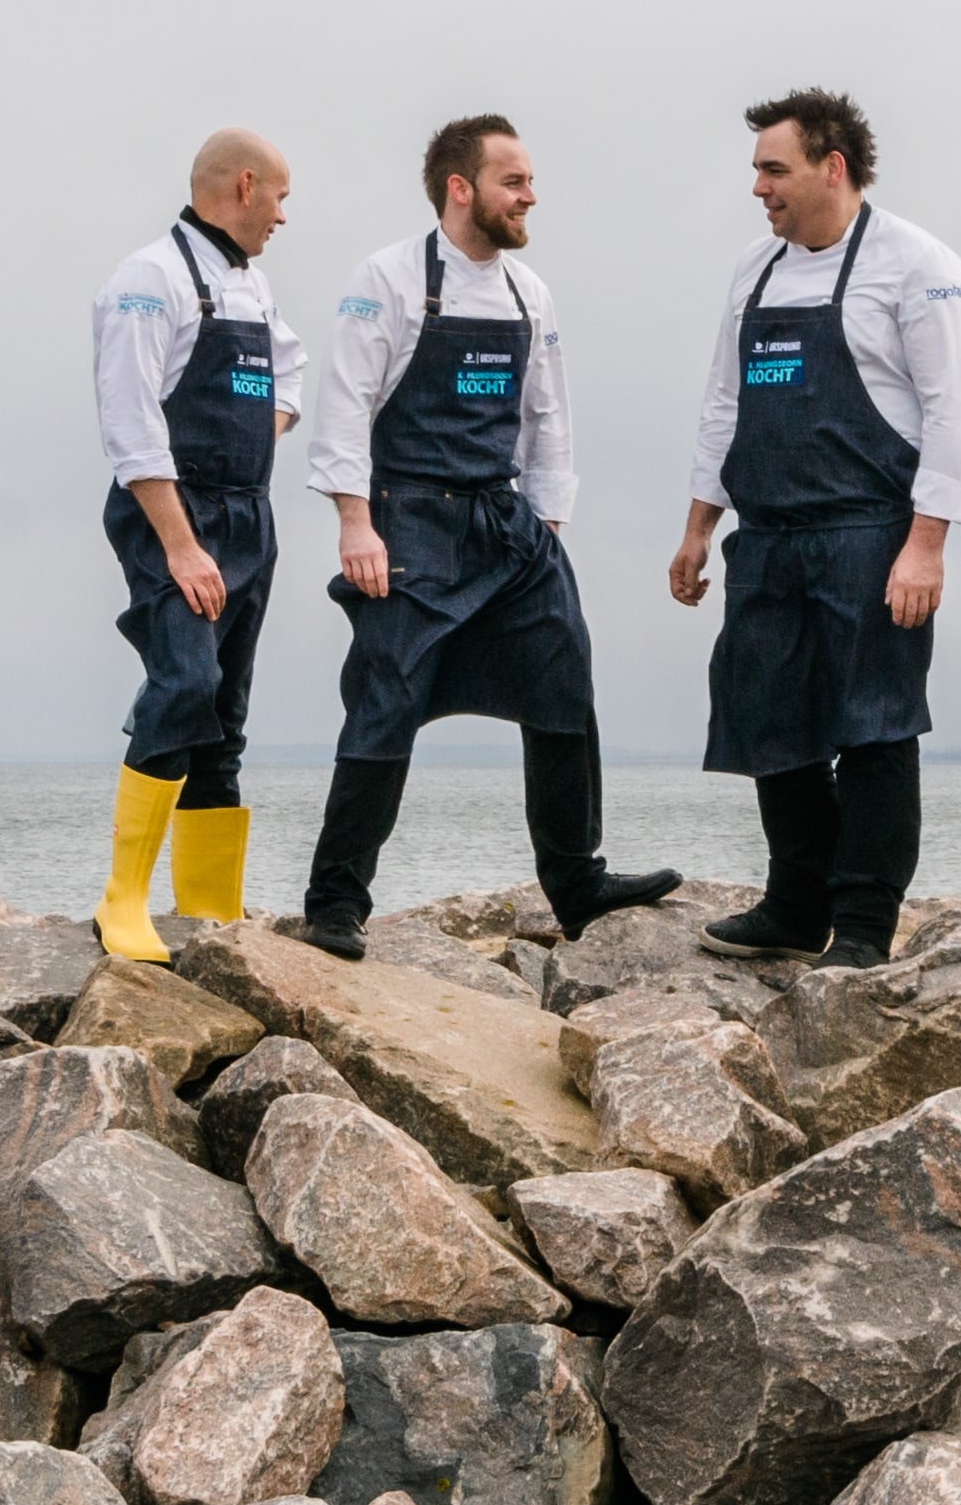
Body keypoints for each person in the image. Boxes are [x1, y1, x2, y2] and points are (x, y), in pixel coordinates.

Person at [289, 114, 679, 958]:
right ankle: (335, 902)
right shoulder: (387, 279)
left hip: (508, 526)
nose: (530, 195)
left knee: (565, 685)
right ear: (460, 189)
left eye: (530, 180)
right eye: (514, 181)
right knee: (385, 702)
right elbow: (345, 407)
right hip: (408, 521)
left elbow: (548, 417)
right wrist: (355, 524)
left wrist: (546, 526)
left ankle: (577, 882)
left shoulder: (526, 291)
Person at [668, 89, 961, 969]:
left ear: (830, 168)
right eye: (758, 171)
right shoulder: (753, 270)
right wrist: (698, 528)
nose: (759, 188)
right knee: (772, 719)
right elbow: (722, 404)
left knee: (874, 724)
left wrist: (926, 545)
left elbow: (955, 415)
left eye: (774, 169)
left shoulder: (918, 264)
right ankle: (795, 905)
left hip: (870, 534)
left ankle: (867, 926)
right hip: (767, 534)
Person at [89, 130, 308, 963]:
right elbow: (131, 421)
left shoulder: (251, 286)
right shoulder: (149, 279)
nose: (284, 216)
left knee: (223, 713)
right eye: (280, 198)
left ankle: (211, 908)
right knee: (184, 681)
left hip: (249, 514)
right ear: (245, 185)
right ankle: (123, 901)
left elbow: (290, 373)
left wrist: (264, 429)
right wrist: (181, 545)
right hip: (170, 514)